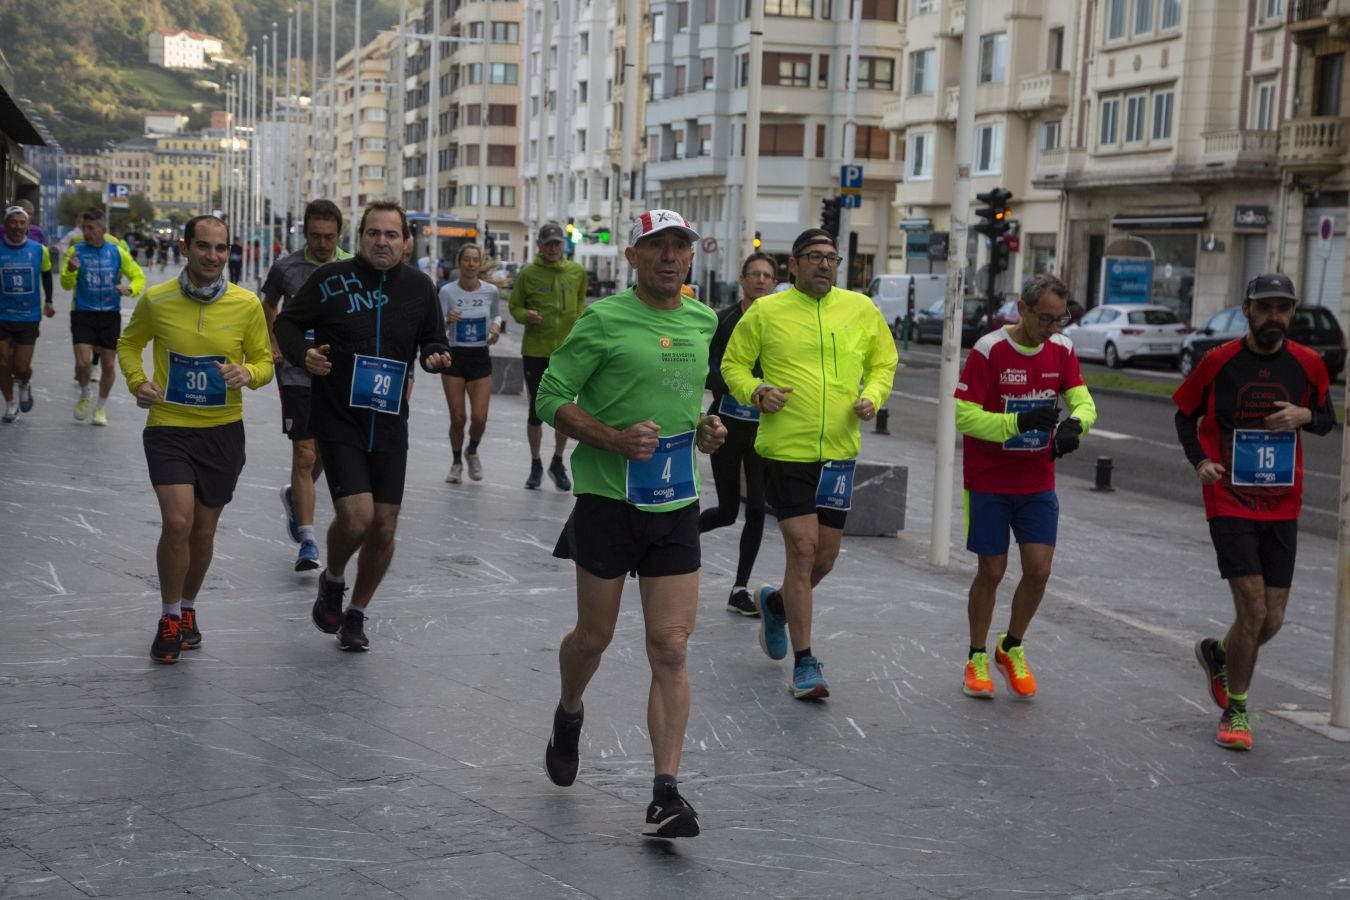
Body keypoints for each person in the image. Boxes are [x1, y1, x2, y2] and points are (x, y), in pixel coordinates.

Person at [535, 208, 725, 838]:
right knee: (594, 639)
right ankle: (569, 711)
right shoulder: (604, 319)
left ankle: (665, 792)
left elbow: (682, 404)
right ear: (633, 257)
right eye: (656, 247)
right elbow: (549, 395)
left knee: (670, 646)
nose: (670, 256)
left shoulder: (701, 320)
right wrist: (611, 438)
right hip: (608, 501)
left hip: (674, 502)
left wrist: (706, 430)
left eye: (680, 247)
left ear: (691, 257)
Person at [722, 228, 897, 700]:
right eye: (814, 256)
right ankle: (805, 663)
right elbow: (733, 365)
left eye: (831, 257)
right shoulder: (766, 311)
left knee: (824, 558)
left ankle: (777, 603)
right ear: (793, 265)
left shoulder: (861, 309)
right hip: (786, 449)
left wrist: (872, 396)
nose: (824, 264)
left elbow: (884, 362)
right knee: (801, 550)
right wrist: (757, 392)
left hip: (839, 451)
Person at [274, 201, 452, 652]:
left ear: (406, 241)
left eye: (391, 235)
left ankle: (356, 613)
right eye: (374, 233)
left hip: (391, 421)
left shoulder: (419, 287)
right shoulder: (331, 280)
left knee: (385, 528)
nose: (382, 241)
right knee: (356, 519)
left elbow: (433, 337)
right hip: (339, 417)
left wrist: (434, 354)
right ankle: (333, 579)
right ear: (360, 237)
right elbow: (288, 324)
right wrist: (303, 356)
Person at [1176, 273, 1334, 751]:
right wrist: (1201, 461)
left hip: (1283, 502)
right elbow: (1185, 413)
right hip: (1230, 498)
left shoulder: (1308, 364)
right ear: (1246, 309)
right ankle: (1237, 711)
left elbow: (1328, 418)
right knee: (1253, 608)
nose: (1275, 317)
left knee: (1272, 620)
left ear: (1292, 311)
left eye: (1283, 308)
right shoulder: (1219, 362)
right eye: (1266, 307)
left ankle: (1219, 654)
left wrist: (1305, 416)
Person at [116, 214, 273, 663]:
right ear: (185, 249)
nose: (212, 256)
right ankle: (168, 616)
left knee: (203, 532)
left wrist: (249, 373)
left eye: (221, 248)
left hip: (223, 432)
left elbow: (265, 361)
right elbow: (130, 344)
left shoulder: (246, 305)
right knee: (178, 523)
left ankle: (187, 608)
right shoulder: (157, 299)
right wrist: (136, 381)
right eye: (203, 246)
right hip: (169, 428)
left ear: (229, 252)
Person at [953, 273, 1097, 701]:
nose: (1053, 329)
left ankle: (1010, 646)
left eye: (1060, 319)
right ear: (1023, 308)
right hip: (990, 481)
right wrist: (1016, 422)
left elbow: (1083, 400)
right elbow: (964, 415)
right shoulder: (990, 349)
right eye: (1045, 319)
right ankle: (976, 655)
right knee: (992, 571)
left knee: (1039, 569)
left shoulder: (1062, 349)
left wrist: (1076, 425)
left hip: (1037, 479)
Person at [261, 199, 351, 572]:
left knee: (324, 454)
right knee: (304, 453)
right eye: (315, 236)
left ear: (339, 235)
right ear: (305, 232)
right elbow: (268, 305)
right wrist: (276, 343)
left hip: (337, 372)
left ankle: (295, 497)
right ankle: (308, 541)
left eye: (329, 237)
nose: (322, 245)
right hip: (297, 371)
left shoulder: (350, 268)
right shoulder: (286, 268)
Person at [700, 252, 776, 615]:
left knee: (758, 508)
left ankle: (739, 588)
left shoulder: (781, 324)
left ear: (774, 283)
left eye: (767, 275)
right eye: (755, 274)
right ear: (742, 279)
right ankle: (668, 541)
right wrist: (742, 387)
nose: (761, 280)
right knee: (729, 511)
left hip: (765, 431)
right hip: (727, 426)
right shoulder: (723, 320)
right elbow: (707, 370)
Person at [508, 222, 588, 490]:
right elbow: (514, 306)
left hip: (566, 353)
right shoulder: (529, 273)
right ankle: (535, 464)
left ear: (563, 245)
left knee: (564, 409)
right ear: (540, 245)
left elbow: (580, 303)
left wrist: (578, 328)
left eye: (557, 243)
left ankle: (557, 461)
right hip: (535, 350)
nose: (553, 248)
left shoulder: (576, 271)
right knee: (535, 410)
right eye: (548, 243)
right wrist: (525, 316)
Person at [60, 207, 145, 426]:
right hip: (83, 313)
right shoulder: (76, 250)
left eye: (91, 228)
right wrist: (70, 269)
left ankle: (100, 408)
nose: (86, 232)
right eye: (84, 228)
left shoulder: (116, 252)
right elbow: (65, 283)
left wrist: (130, 289)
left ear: (103, 229)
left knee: (108, 365)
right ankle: (86, 392)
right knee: (83, 362)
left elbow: (138, 276)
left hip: (109, 314)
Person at [439, 243, 501, 484]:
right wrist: (447, 321)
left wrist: (495, 328)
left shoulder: (490, 291)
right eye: (466, 259)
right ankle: (456, 462)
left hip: (479, 357)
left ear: (480, 263)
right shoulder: (447, 292)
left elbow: (496, 315)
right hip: (454, 357)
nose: (471, 264)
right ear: (460, 263)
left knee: (479, 418)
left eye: (475, 260)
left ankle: (472, 450)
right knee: (458, 418)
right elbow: (435, 326)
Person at [0, 205, 54, 422]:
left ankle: (23, 382)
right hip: (2, 314)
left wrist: (49, 301)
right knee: (2, 363)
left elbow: (47, 276)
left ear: (28, 226)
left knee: (21, 367)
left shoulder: (39, 250)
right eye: (13, 222)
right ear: (6, 225)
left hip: (28, 316)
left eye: (22, 222)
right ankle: (10, 403)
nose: (18, 226)